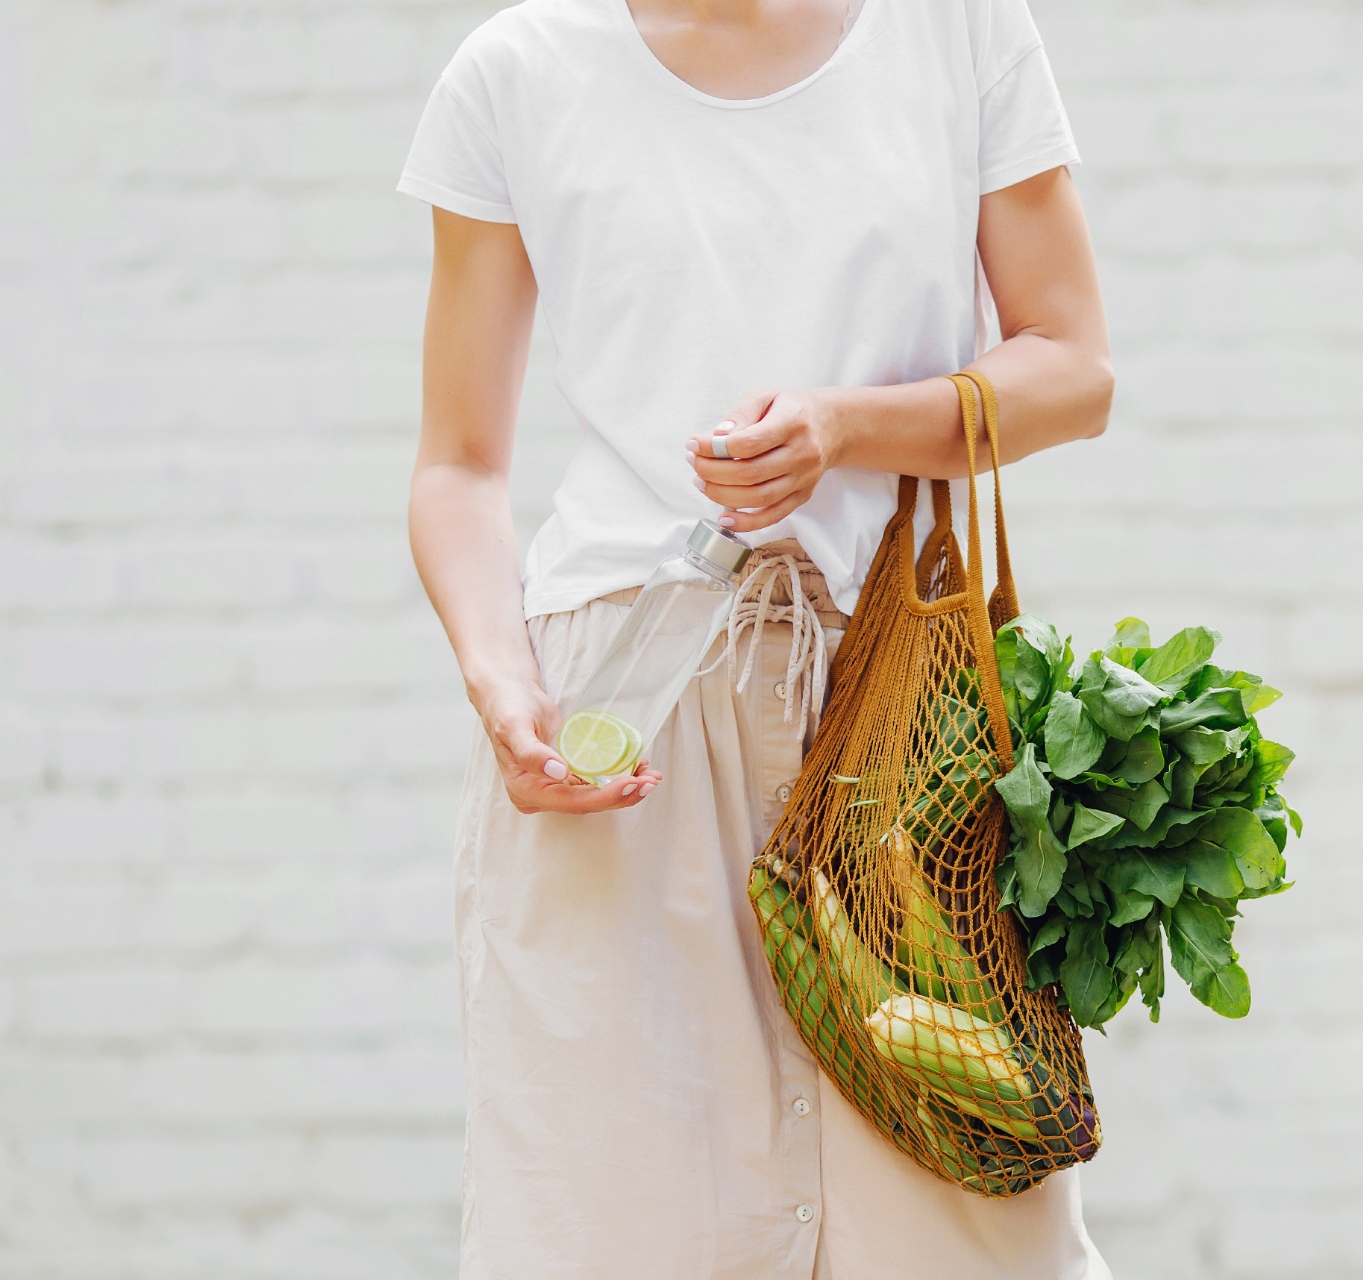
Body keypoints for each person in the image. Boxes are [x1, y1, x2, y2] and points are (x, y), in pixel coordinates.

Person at [399, 0, 1113, 1273]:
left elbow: (1073, 365)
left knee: (977, 1230)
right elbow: (457, 464)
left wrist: (844, 426)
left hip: (893, 709)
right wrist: (504, 685)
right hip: (619, 729)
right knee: (612, 1228)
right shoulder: (516, 71)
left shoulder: (956, 29)